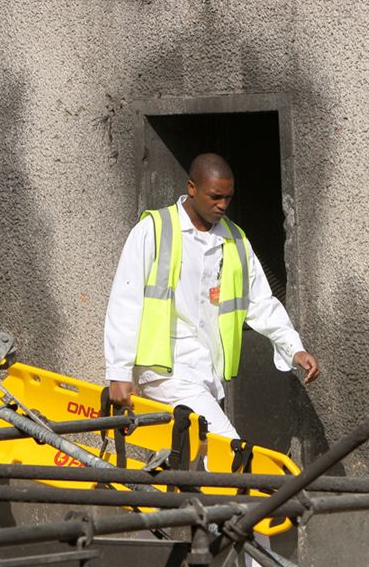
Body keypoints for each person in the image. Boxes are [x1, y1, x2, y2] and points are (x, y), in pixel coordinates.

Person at [104, 153, 319, 440]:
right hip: (165, 371)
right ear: (192, 188)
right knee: (226, 447)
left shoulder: (236, 240)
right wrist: (119, 372)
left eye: (228, 198)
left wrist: (295, 349)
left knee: (191, 459)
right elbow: (125, 300)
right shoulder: (153, 230)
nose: (222, 205)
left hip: (208, 372)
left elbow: (260, 302)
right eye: (215, 196)